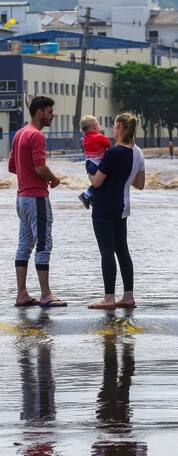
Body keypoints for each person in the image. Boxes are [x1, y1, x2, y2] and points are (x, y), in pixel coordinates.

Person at [8, 96, 67, 308]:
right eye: (50, 112)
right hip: (36, 198)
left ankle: (22, 294)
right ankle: (46, 294)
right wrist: (54, 179)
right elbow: (40, 167)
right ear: (40, 112)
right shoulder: (36, 136)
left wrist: (28, 174)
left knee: (24, 246)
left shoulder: (19, 134)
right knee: (44, 244)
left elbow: (12, 167)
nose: (53, 115)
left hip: (21, 198)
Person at [87, 113, 145, 310]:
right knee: (122, 250)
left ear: (119, 126)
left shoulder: (113, 153)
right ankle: (128, 296)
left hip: (104, 207)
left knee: (106, 252)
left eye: (114, 124)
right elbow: (140, 184)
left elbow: (96, 181)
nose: (113, 128)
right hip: (123, 207)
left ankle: (109, 298)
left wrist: (89, 167)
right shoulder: (138, 152)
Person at [78, 115, 111, 209]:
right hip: (96, 164)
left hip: (89, 164)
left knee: (98, 183)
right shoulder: (99, 137)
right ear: (95, 126)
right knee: (104, 181)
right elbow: (108, 144)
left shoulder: (84, 139)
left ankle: (91, 197)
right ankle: (87, 195)